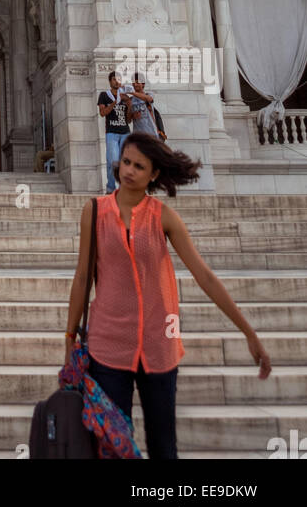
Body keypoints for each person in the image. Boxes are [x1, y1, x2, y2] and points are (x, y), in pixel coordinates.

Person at [63, 134, 272, 459]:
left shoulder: (163, 216)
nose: (129, 170)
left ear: (154, 174)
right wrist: (69, 338)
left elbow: (204, 275)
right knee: (112, 449)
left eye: (139, 166)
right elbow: (81, 278)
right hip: (107, 348)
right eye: (127, 162)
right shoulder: (94, 211)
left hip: (159, 349)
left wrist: (248, 331)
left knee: (164, 447)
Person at [97, 70, 129, 193]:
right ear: (110, 81)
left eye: (119, 79)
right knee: (112, 161)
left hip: (125, 132)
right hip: (112, 132)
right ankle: (111, 187)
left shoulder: (125, 96)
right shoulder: (104, 95)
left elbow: (129, 118)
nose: (117, 82)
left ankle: (123, 188)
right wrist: (114, 103)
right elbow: (102, 113)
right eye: (115, 79)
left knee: (125, 162)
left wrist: (129, 103)